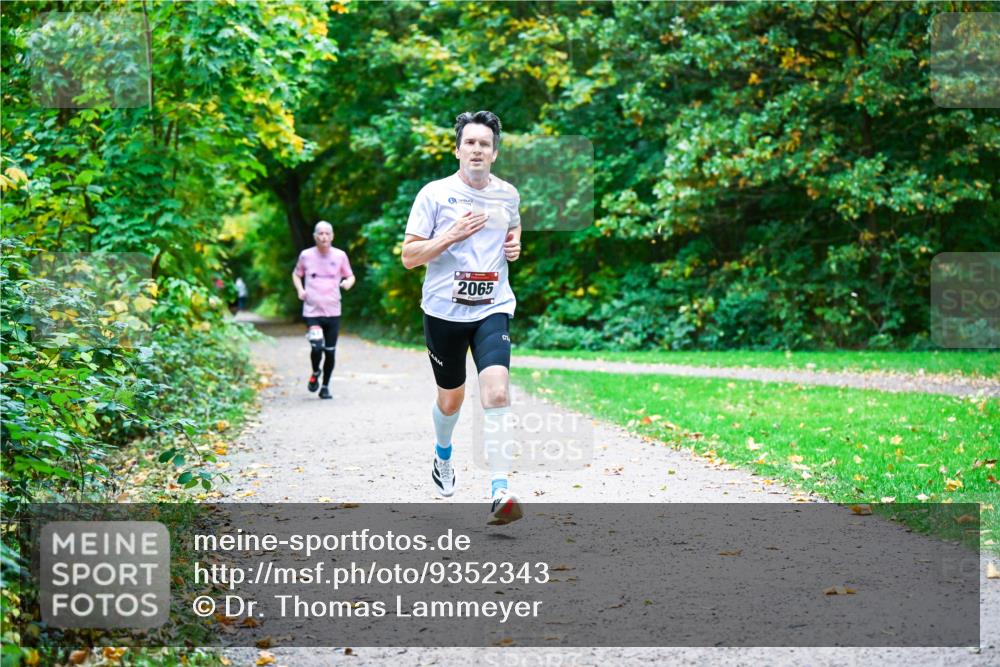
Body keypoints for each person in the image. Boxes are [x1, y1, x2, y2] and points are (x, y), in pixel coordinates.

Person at [401, 110, 524, 525]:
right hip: (443, 313)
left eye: (484, 144)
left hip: (492, 307)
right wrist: (451, 235)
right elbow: (408, 257)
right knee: (451, 399)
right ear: (457, 150)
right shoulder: (433, 195)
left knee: (497, 391)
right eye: (469, 142)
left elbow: (514, 228)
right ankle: (442, 456)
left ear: (494, 153)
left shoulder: (507, 195)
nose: (477, 149)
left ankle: (500, 489)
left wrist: (515, 246)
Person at [292, 221, 356, 400]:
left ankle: (325, 386)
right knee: (317, 347)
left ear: (332, 236)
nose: (324, 237)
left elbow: (350, 275)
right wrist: (300, 290)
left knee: (330, 351)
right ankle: (315, 372)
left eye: (327, 233)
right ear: (315, 236)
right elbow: (296, 274)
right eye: (320, 233)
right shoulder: (306, 255)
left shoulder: (340, 255)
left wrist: (347, 283)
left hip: (333, 311)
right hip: (312, 311)